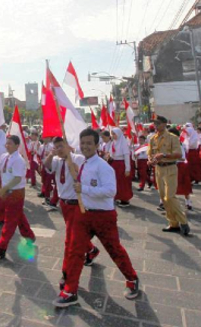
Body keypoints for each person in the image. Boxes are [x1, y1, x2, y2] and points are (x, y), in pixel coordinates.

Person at [53, 128, 140, 308]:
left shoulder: (103, 166)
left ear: (96, 145)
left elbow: (111, 191)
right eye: (83, 143)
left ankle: (132, 279)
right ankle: (70, 290)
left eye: (89, 143)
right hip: (83, 214)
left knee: (114, 249)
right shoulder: (83, 163)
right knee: (75, 250)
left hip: (103, 216)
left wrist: (84, 189)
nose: (85, 146)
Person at [44, 137, 99, 291]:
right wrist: (50, 154)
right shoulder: (56, 160)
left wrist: (73, 167)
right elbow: (47, 167)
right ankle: (91, 249)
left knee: (70, 240)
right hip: (64, 203)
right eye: (56, 147)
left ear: (68, 146)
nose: (58, 149)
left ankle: (67, 274)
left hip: (77, 203)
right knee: (74, 235)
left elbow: (86, 177)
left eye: (61, 146)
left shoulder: (79, 159)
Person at [0, 135, 36, 258]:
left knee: (9, 220)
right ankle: (29, 236)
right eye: (6, 143)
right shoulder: (4, 157)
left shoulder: (18, 160)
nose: (7, 145)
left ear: (16, 145)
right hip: (7, 192)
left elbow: (17, 178)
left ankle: (1, 246)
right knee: (18, 215)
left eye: (10, 143)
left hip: (16, 192)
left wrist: (4, 188)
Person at [148, 116, 190, 236]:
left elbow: (178, 154)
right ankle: (173, 223)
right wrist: (150, 160)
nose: (156, 126)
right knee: (163, 197)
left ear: (165, 124)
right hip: (158, 169)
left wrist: (164, 155)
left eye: (158, 123)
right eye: (155, 123)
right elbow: (150, 154)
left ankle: (183, 221)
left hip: (170, 167)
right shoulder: (153, 139)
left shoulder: (173, 138)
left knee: (170, 196)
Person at [108, 127, 133, 207]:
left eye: (114, 134)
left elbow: (126, 156)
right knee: (115, 182)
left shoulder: (123, 143)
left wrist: (127, 169)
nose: (113, 136)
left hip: (121, 164)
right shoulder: (113, 143)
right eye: (112, 134)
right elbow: (111, 154)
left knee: (123, 182)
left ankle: (124, 199)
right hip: (114, 164)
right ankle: (117, 196)